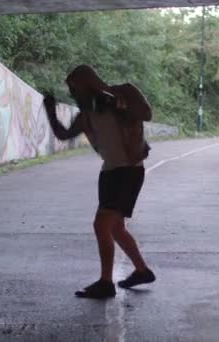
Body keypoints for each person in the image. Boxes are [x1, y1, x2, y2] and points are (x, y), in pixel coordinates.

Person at [43, 65, 156, 299]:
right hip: (109, 172)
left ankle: (106, 283)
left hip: (129, 170)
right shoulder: (86, 115)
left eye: (75, 90)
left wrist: (116, 103)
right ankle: (142, 271)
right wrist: (51, 112)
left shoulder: (125, 91)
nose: (73, 95)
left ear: (89, 84)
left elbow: (146, 113)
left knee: (101, 224)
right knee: (115, 228)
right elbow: (64, 135)